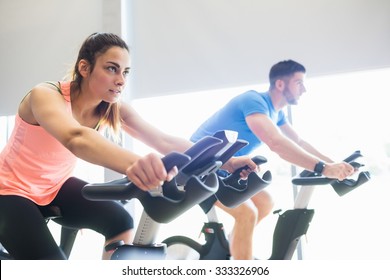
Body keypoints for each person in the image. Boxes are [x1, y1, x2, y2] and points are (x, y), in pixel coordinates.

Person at [0, 32, 257, 260]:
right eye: (112, 68)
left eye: (125, 72)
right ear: (85, 68)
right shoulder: (45, 95)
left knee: (120, 220)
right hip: (9, 191)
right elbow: (75, 137)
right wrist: (134, 164)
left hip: (54, 187)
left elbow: (163, 141)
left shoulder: (112, 109)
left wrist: (226, 161)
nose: (121, 79)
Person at [190, 59, 356, 260]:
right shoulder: (253, 101)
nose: (304, 89)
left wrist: (335, 163)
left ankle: (236, 247)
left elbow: (299, 142)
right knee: (247, 214)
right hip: (199, 168)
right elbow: (275, 142)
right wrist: (323, 168)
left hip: (224, 169)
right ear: (280, 84)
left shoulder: (277, 114)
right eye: (299, 83)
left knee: (266, 202)